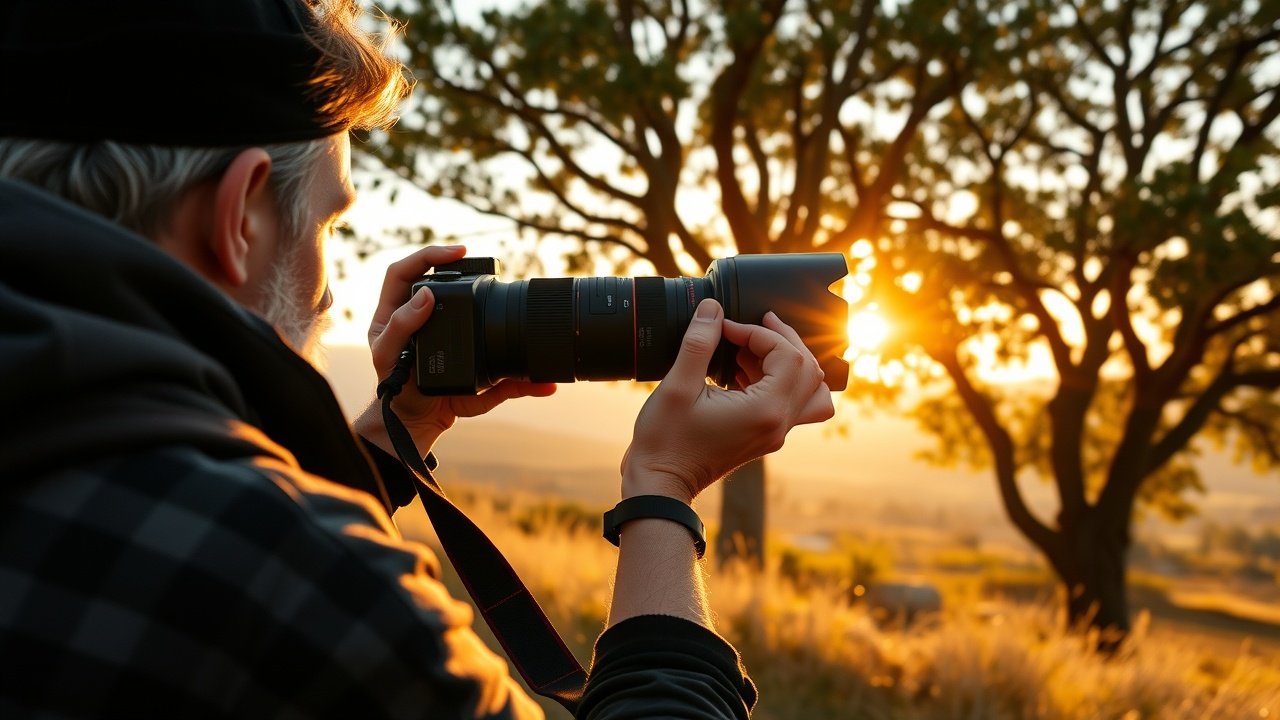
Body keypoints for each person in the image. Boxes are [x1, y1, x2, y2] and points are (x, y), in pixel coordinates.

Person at [0, 1, 835, 718]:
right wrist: (664, 488)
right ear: (240, 217)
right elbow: (245, 552)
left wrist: (393, 433)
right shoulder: (295, 586)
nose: (329, 289)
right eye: (330, 223)